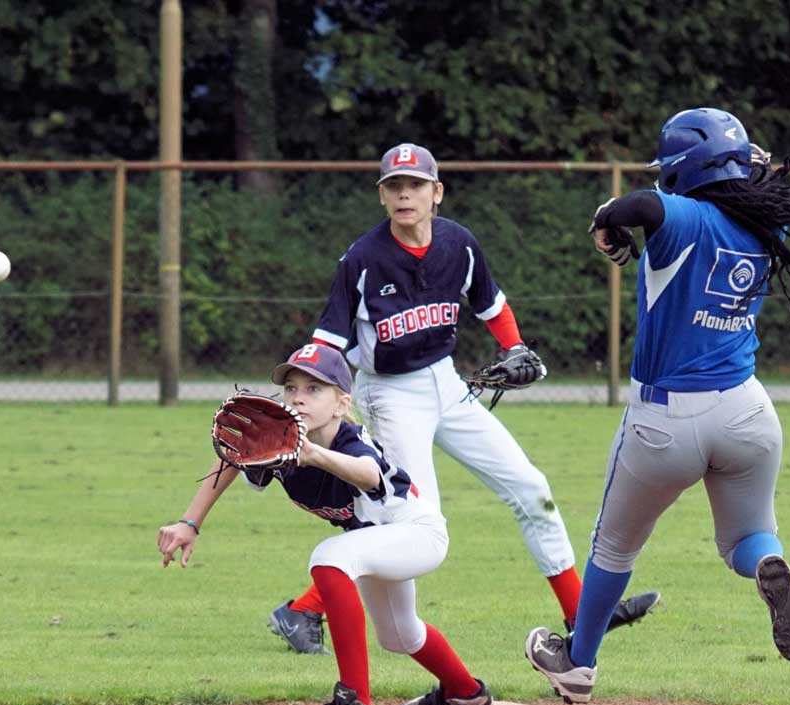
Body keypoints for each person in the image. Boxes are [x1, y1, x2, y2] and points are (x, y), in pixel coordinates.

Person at [266, 142, 661, 656]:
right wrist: (299, 401)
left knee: (532, 488)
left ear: (437, 193)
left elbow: (491, 304)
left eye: (415, 185)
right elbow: (327, 343)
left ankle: (582, 615)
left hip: (447, 384)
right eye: (393, 187)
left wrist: (514, 346)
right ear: (383, 198)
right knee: (411, 517)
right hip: (389, 393)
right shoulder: (363, 260)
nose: (404, 194)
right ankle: (302, 610)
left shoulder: (460, 244)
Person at [525, 107, 790, 703]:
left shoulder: (684, 216)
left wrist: (606, 218)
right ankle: (769, 569)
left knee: (614, 548)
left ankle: (578, 664)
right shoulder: (766, 226)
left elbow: (645, 207)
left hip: (666, 421)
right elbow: (706, 190)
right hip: (747, 412)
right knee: (747, 538)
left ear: (681, 170)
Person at [158, 344, 493, 705]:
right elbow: (233, 456)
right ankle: (465, 693)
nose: (299, 396)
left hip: (418, 532)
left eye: (314, 388)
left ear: (340, 403)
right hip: (375, 542)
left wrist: (314, 454)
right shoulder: (282, 443)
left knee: (329, 557)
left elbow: (368, 474)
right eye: (292, 387)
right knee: (400, 634)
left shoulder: (349, 440)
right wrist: (190, 523)